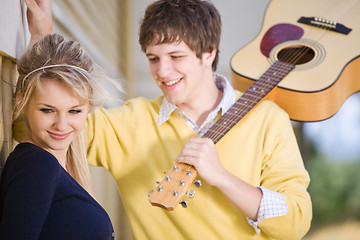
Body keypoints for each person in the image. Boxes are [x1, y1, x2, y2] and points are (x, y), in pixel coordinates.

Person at [17, 0, 312, 239]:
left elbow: (296, 221)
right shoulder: (129, 123)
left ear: (208, 53)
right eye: (153, 58)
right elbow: (35, 125)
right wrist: (42, 42)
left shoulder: (267, 119)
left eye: (176, 56)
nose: (163, 71)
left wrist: (221, 177)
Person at [1, 33, 117, 239]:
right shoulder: (35, 165)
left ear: (88, 107)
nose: (61, 125)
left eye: (74, 111)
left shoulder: (55, 167)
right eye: (47, 110)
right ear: (21, 101)